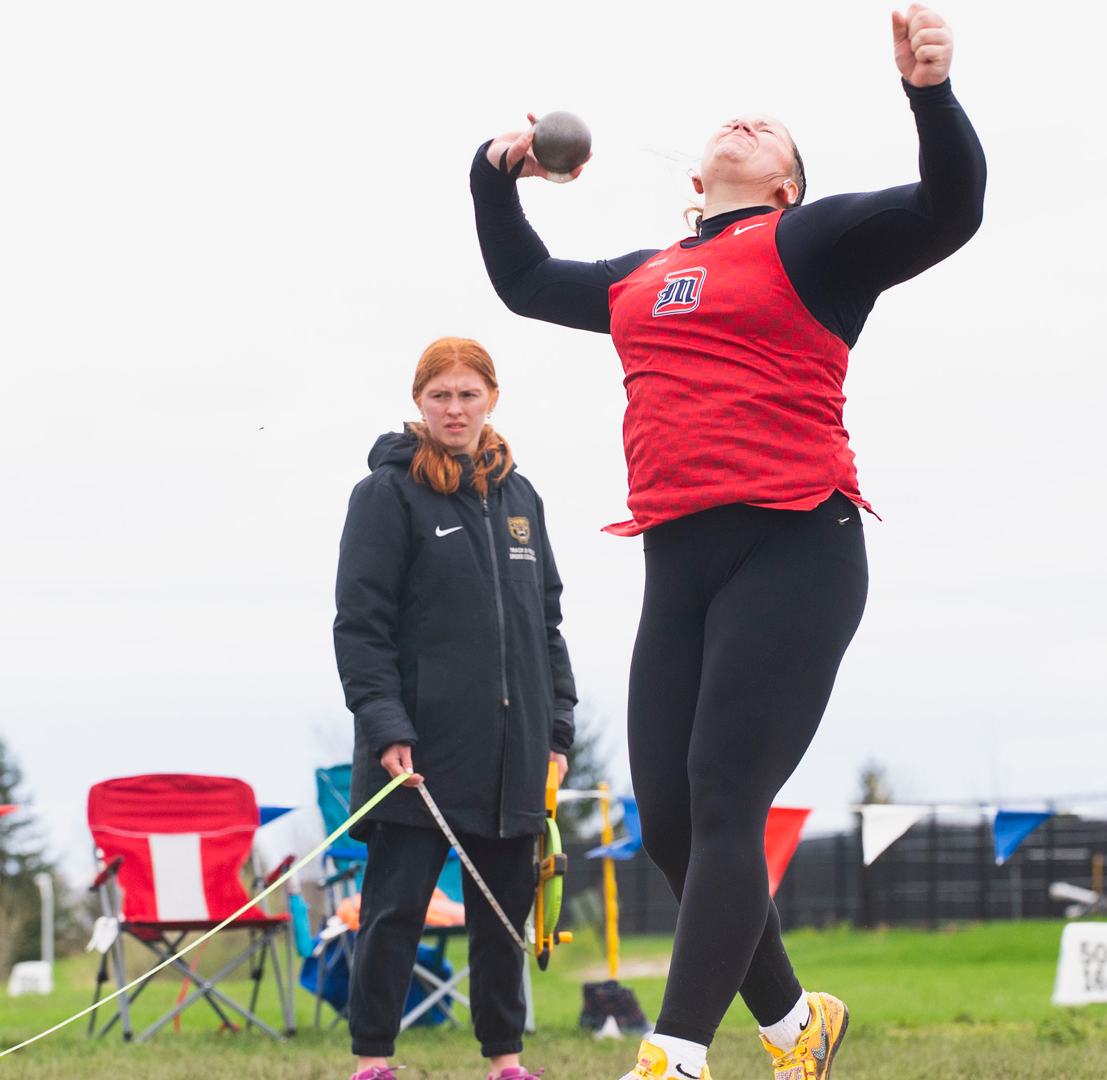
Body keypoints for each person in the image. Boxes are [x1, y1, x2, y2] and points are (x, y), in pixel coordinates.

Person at [467, 7, 983, 1080]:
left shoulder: (815, 241)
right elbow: (522, 283)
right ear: (697, 180)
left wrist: (929, 95)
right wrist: (492, 177)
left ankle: (677, 1054)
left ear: (787, 183)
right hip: (680, 561)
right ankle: (799, 1029)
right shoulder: (640, 276)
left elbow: (952, 207)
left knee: (725, 795)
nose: (745, 121)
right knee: (671, 821)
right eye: (734, 121)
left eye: (772, 130)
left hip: (798, 545)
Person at [334, 337, 577, 1080]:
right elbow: (360, 623)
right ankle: (374, 1058)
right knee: (395, 911)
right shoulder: (386, 494)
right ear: (419, 403)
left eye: (469, 393)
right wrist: (386, 727)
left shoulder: (521, 498)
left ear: (492, 399)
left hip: (514, 755)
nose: (455, 408)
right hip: (417, 756)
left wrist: (557, 729)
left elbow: (547, 624)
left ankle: (505, 1059)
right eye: (440, 394)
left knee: (501, 921)